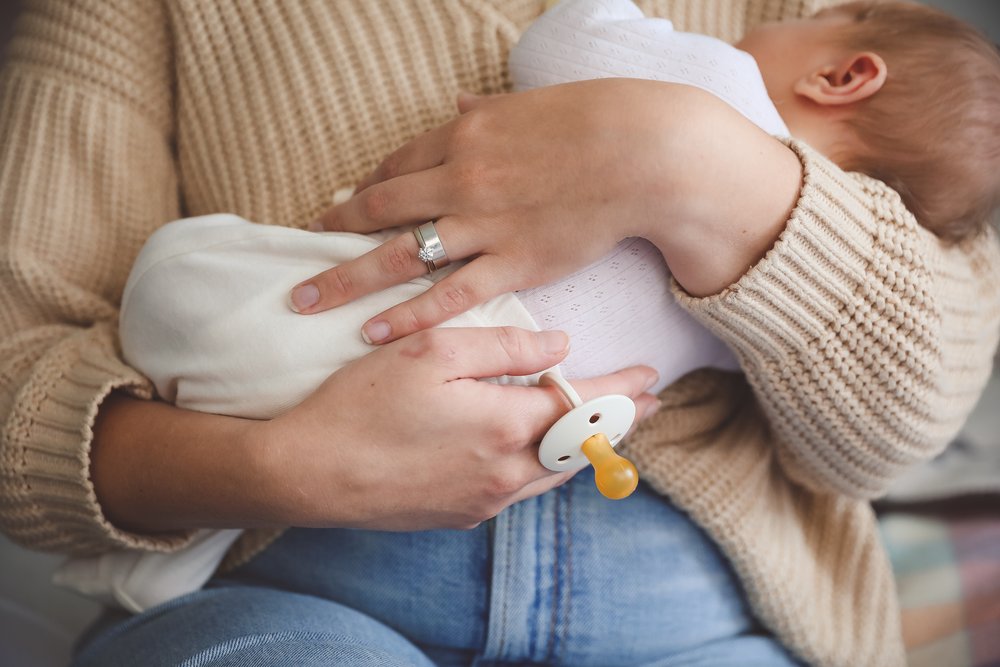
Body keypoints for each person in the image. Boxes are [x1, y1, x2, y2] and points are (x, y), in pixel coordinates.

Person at [0, 2, 997, 667]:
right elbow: (15, 377)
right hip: (305, 584)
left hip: (698, 617)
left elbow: (890, 433)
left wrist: (693, 163)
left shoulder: (817, 39)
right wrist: (275, 468)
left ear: (845, 71)